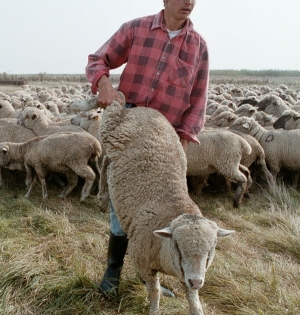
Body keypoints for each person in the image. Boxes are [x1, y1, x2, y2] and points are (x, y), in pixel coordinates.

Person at [85, 0, 209, 296]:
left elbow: (198, 100)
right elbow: (97, 60)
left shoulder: (198, 47)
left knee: (164, 212)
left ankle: (148, 272)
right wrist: (103, 84)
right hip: (129, 131)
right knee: (123, 207)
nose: (189, 2)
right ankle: (112, 271)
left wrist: (181, 145)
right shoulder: (136, 29)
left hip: (165, 142)